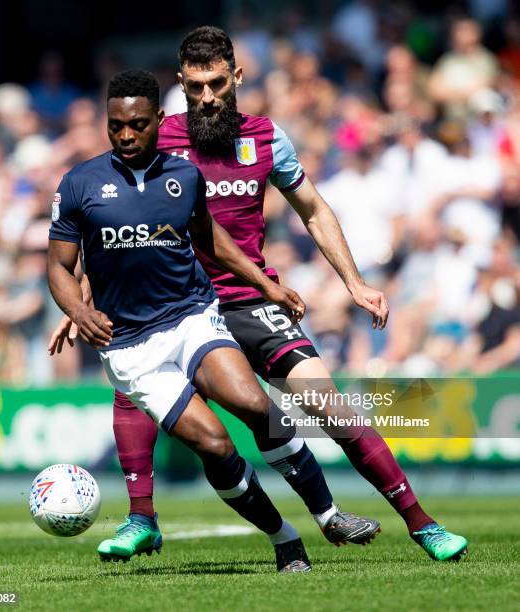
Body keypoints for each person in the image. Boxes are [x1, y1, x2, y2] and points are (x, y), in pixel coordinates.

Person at [50, 27, 468, 562]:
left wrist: (354, 282)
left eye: (217, 84)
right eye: (195, 86)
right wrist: (81, 301)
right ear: (180, 84)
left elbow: (312, 209)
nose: (207, 97)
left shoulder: (268, 138)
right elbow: (119, 228)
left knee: (333, 409)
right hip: (175, 307)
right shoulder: (154, 137)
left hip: (248, 303)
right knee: (135, 381)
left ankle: (421, 524)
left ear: (237, 77)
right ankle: (142, 517)